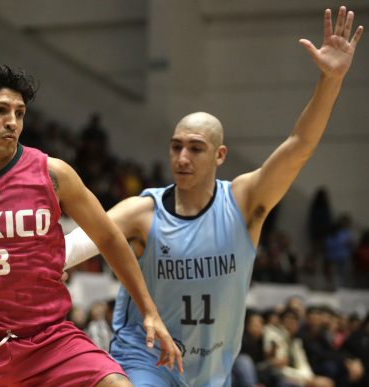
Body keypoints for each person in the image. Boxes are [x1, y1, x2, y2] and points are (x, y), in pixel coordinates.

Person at [64, 6, 363, 386]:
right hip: (143, 357)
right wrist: (50, 258)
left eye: (195, 148)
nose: (182, 158)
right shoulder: (143, 211)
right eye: (175, 147)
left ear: (220, 155)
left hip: (210, 370)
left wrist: (331, 80)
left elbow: (300, 143)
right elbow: (80, 240)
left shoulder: (243, 201)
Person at [0, 65, 181, 386]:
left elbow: (109, 237)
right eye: (0, 111)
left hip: (47, 339)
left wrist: (149, 311)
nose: (12, 122)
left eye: (20, 113)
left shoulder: (53, 174)